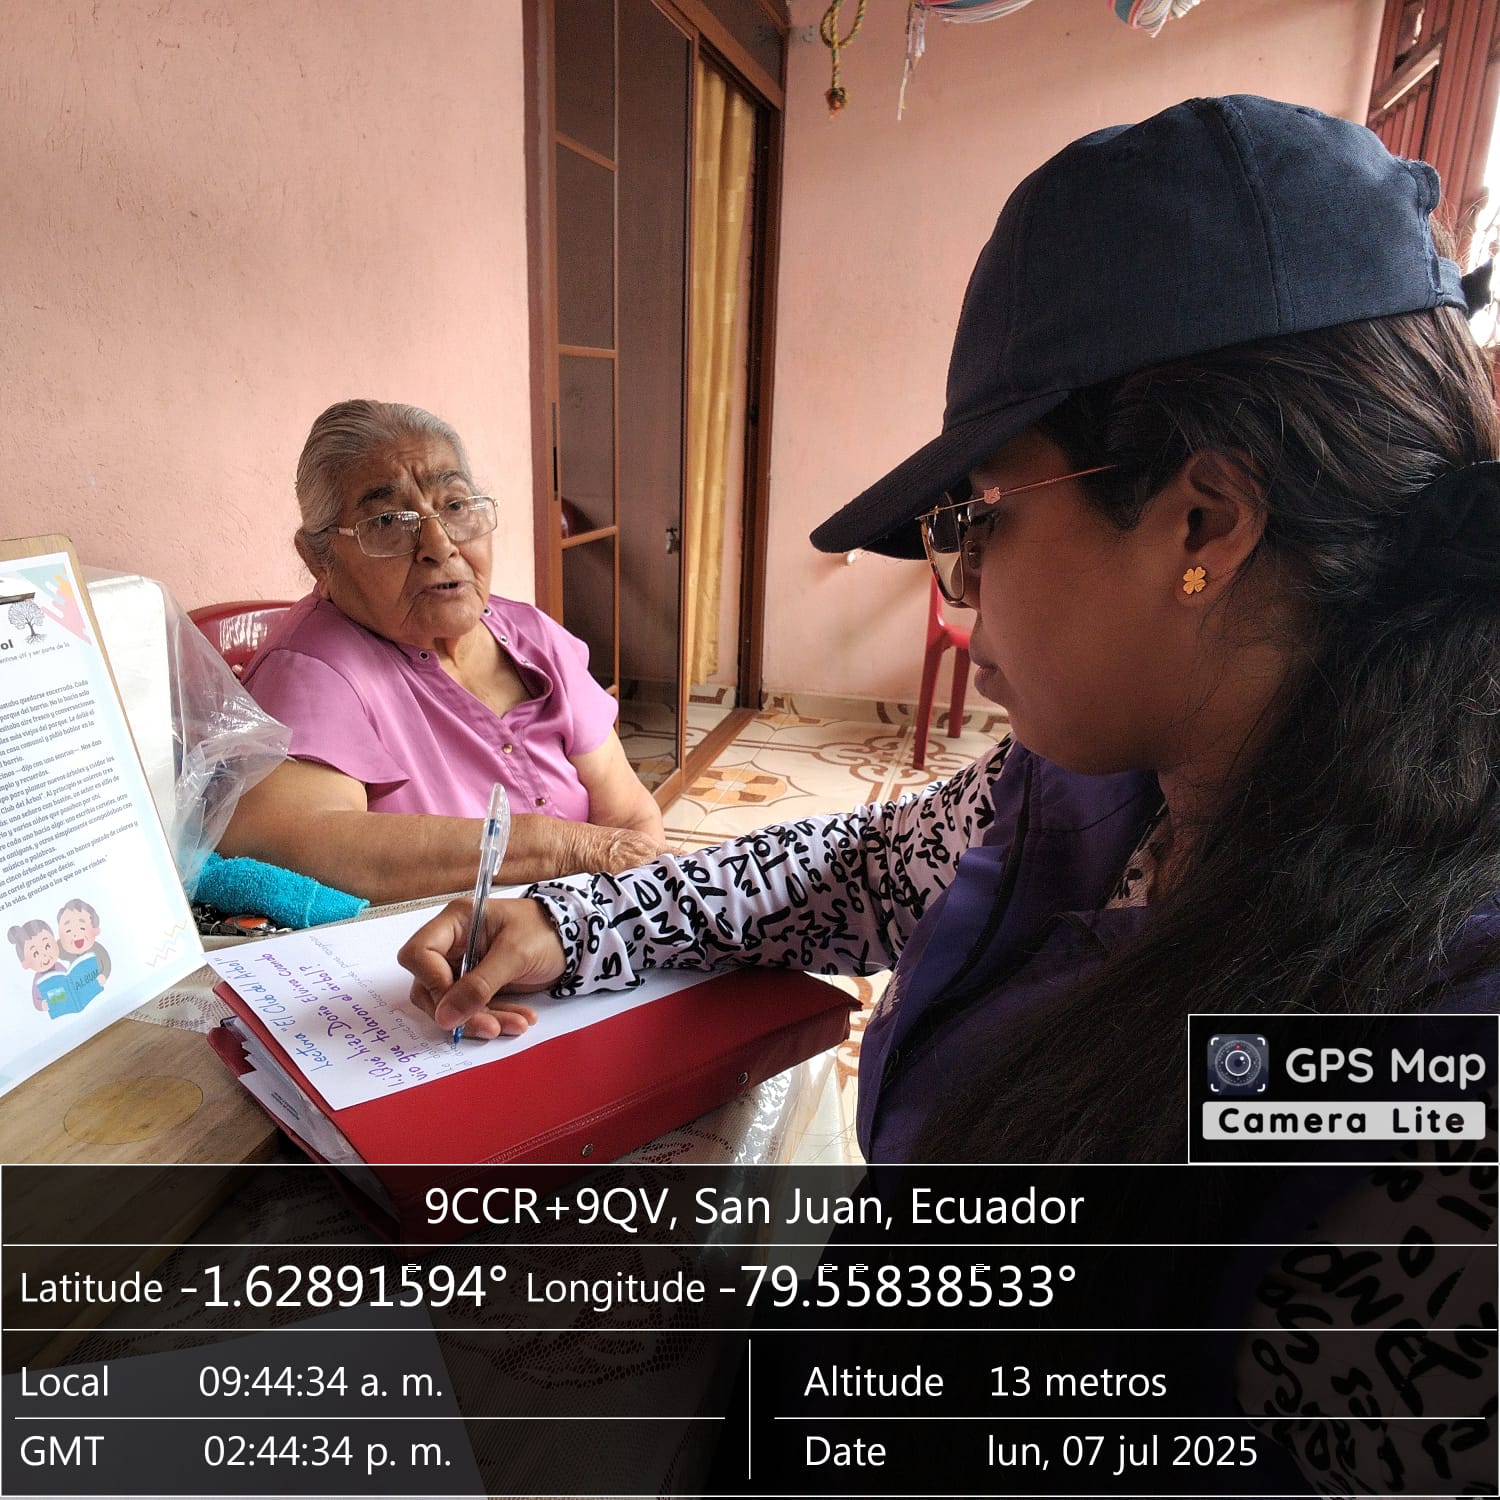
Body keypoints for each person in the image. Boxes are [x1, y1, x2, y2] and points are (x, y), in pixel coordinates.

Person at [399, 95, 1500, 1149]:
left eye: (981, 517)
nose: (961, 585)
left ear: (1202, 525)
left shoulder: (1435, 1041)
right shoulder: (1115, 776)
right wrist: (580, 923)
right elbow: (871, 870)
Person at [219, 400, 666, 903]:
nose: (439, 544)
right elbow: (293, 842)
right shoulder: (312, 668)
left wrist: (618, 922)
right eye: (389, 520)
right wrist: (559, 848)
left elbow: (629, 814)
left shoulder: (532, 633)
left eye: (454, 506)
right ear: (318, 558)